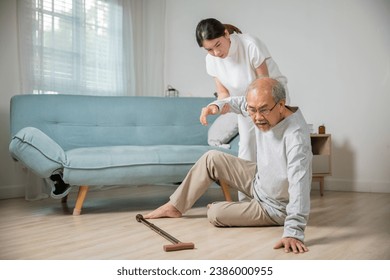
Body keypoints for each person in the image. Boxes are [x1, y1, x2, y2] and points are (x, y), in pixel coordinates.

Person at [144, 78, 312, 254]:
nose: (257, 117)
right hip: (260, 179)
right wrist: (216, 106)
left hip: (275, 207)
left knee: (215, 214)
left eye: (263, 110)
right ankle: (175, 206)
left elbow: (299, 186)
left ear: (281, 105)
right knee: (211, 158)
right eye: (252, 110)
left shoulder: (296, 138)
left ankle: (225, 208)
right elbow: (238, 103)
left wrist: (294, 232)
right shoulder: (262, 108)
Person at [195, 18, 289, 164]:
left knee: (272, 141)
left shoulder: (250, 44)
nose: (216, 52)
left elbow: (264, 85)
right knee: (246, 146)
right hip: (245, 101)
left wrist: (259, 111)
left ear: (226, 34)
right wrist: (217, 106)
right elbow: (223, 94)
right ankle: (246, 186)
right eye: (209, 49)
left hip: (272, 95)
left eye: (218, 45)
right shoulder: (211, 60)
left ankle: (279, 186)